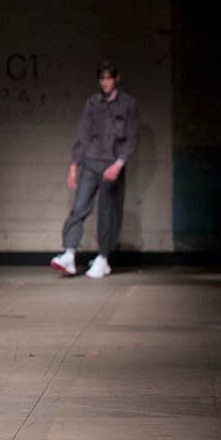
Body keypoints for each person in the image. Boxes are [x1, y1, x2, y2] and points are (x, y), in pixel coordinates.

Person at [50, 61, 138, 279]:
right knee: (79, 207)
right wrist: (74, 166)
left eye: (109, 78)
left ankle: (103, 258)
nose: (105, 82)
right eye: (102, 79)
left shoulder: (128, 104)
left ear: (116, 79)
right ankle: (69, 254)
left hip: (112, 164)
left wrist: (119, 164)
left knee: (107, 213)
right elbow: (83, 134)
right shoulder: (93, 103)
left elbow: (132, 137)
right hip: (90, 161)